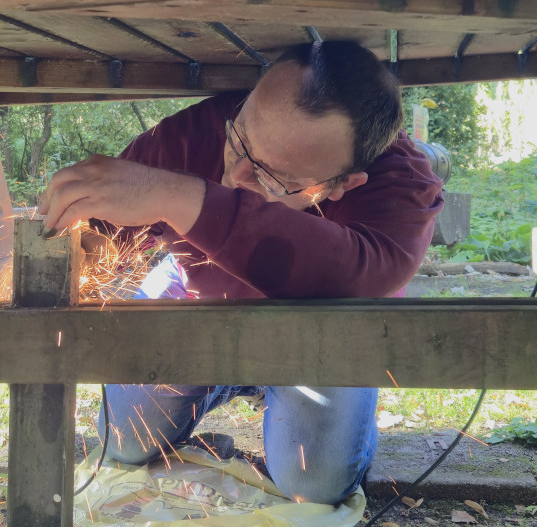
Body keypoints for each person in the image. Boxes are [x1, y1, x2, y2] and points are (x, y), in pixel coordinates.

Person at [38, 40, 443, 505]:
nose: (236, 177)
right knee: (124, 439)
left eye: (273, 178)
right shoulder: (205, 127)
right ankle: (217, 379)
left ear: (341, 185)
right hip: (197, 291)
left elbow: (359, 270)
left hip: (326, 330)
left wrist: (180, 196)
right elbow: (107, 221)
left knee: (312, 485)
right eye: (240, 143)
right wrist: (85, 238)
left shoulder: (402, 181)